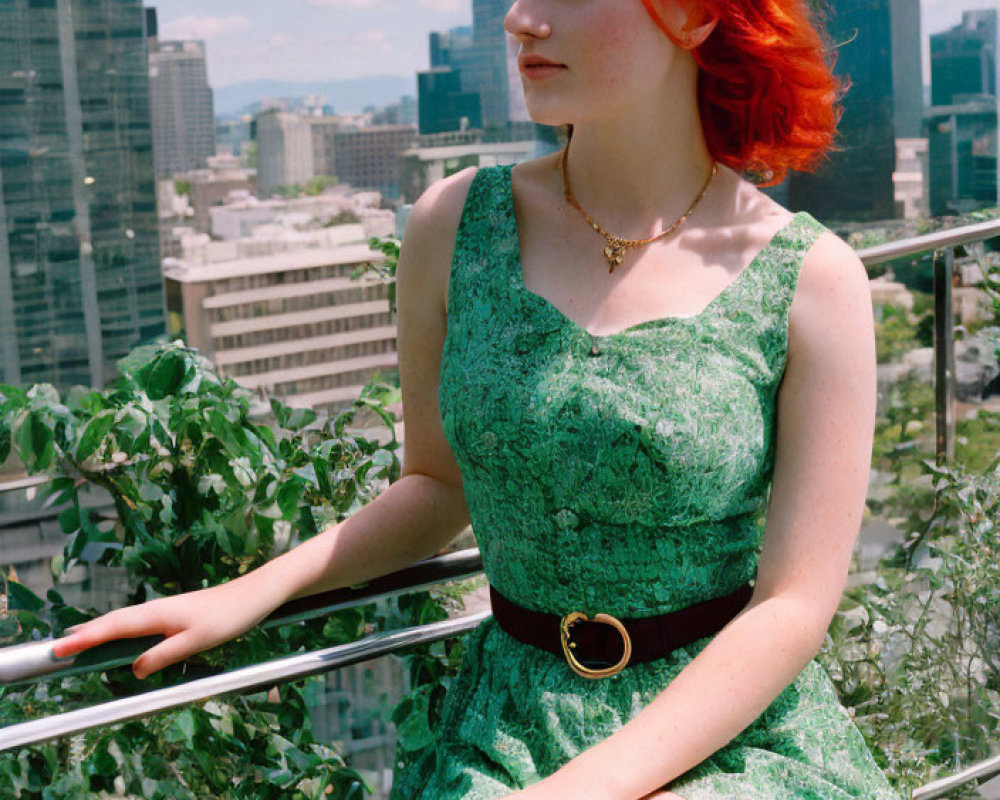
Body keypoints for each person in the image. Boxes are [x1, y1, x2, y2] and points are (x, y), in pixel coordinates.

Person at [53, 0, 904, 798]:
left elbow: (793, 605)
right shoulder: (455, 223)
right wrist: (252, 590)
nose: (519, 18)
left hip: (729, 736)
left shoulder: (811, 279)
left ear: (694, 14)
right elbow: (438, 484)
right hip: (507, 726)